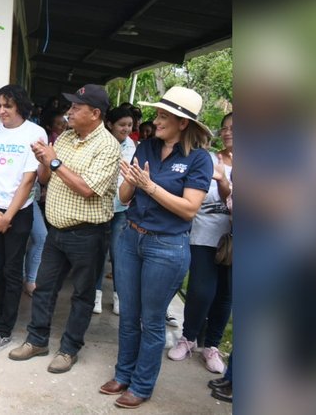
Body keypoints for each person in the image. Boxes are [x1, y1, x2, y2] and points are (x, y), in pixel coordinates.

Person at [99, 86, 213, 409]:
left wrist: (150, 186)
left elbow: (189, 209)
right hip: (131, 238)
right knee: (128, 315)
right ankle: (123, 373)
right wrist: (133, 182)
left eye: (164, 116)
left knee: (151, 320)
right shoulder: (145, 147)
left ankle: (142, 384)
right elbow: (123, 198)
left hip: (166, 247)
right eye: (159, 114)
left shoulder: (199, 160)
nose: (156, 120)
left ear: (183, 123)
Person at [8, 84, 120, 374]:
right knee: (44, 288)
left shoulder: (108, 146)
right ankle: (37, 340)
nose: (69, 112)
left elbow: (86, 189)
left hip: (88, 234)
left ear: (95, 113)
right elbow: (45, 179)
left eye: (76, 108)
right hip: (56, 230)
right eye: (70, 107)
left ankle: (69, 349)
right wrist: (43, 161)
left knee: (82, 295)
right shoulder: (67, 137)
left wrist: (54, 160)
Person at [0, 84, 46, 355]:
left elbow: (29, 180)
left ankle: (5, 330)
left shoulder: (35, 133)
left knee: (14, 271)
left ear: (20, 107)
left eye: (8, 106)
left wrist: (8, 217)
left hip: (19, 212)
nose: (2, 111)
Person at [168, 113, 233, 373]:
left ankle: (212, 345)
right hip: (205, 232)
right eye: (225, 127)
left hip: (236, 237)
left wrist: (226, 182)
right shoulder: (206, 158)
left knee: (226, 294)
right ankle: (188, 338)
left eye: (235, 128)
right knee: (201, 289)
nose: (228, 132)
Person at [94, 106, 137, 315]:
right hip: (100, 207)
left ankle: (119, 297)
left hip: (121, 208)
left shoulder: (132, 146)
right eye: (122, 125)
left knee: (119, 254)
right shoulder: (100, 141)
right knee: (98, 253)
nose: (126, 129)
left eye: (129, 125)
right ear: (110, 124)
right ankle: (96, 295)